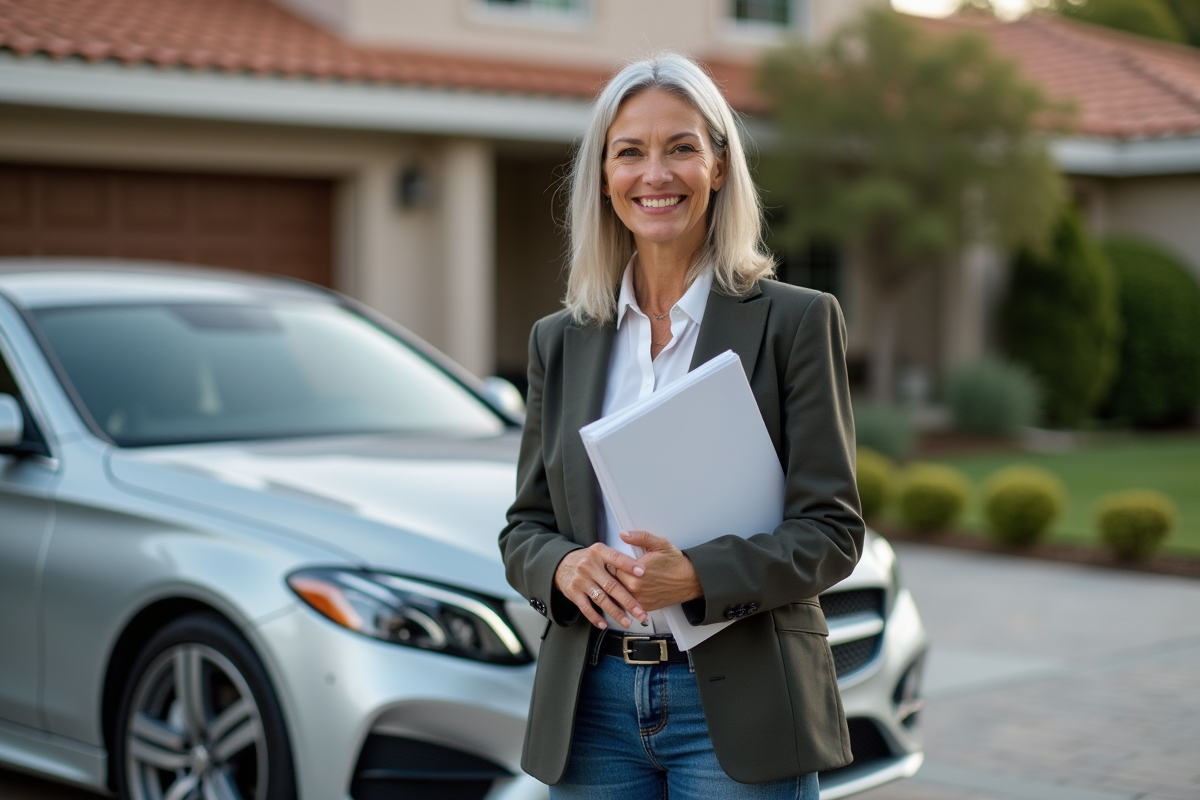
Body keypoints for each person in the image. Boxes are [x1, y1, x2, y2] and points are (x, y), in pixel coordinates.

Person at [499, 52, 864, 800]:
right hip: (592, 705)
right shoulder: (559, 340)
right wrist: (562, 567)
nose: (654, 174)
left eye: (682, 148)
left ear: (720, 166)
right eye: (630, 151)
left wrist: (697, 576)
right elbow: (525, 528)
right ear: (604, 177)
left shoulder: (795, 322)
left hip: (740, 701)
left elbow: (832, 532)